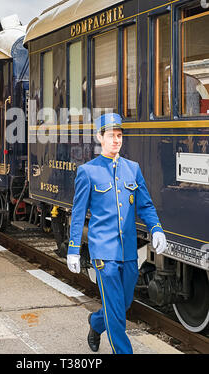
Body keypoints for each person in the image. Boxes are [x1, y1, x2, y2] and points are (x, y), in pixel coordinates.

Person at [67, 113, 166, 355]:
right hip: (103, 252)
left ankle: (96, 322)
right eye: (111, 136)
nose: (116, 140)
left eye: (119, 136)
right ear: (99, 137)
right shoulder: (88, 172)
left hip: (128, 251)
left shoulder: (133, 169)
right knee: (116, 310)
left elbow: (145, 205)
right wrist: (73, 249)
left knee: (122, 304)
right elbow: (78, 214)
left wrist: (156, 228)